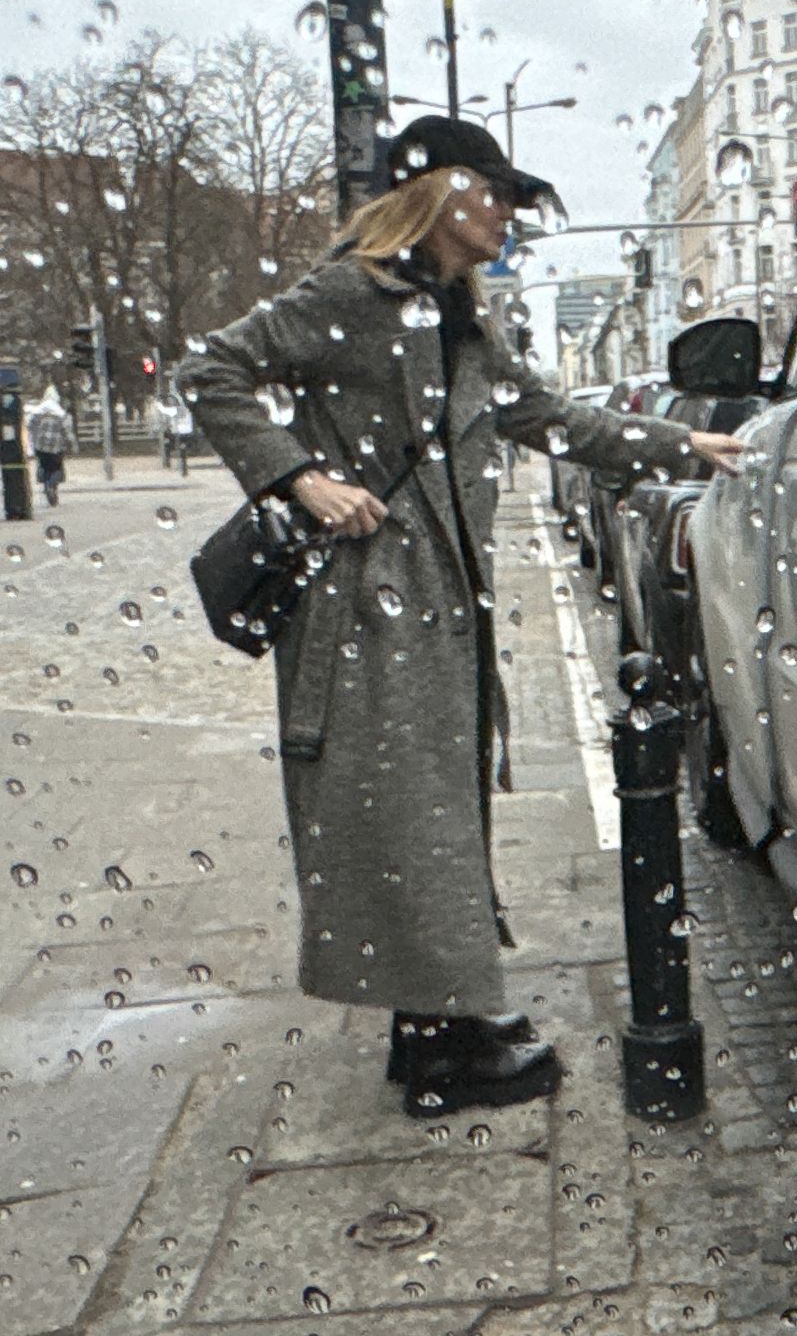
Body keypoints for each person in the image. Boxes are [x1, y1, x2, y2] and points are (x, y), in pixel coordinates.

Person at [176, 116, 744, 1119]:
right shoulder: (348, 290)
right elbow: (211, 370)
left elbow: (559, 421)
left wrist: (687, 446)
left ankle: (440, 1024)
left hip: (437, 603)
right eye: (500, 197)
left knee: (432, 811)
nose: (512, 217)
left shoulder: (465, 318)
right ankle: (443, 1054)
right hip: (364, 605)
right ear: (441, 194)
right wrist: (302, 479)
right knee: (406, 814)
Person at [27, 387, 77, 507]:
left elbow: (30, 427)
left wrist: (33, 442)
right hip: (56, 448)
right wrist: (72, 445)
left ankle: (47, 487)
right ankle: (51, 486)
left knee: (44, 467)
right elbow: (67, 431)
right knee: (56, 469)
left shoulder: (37, 412)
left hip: (40, 447)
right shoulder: (60, 413)